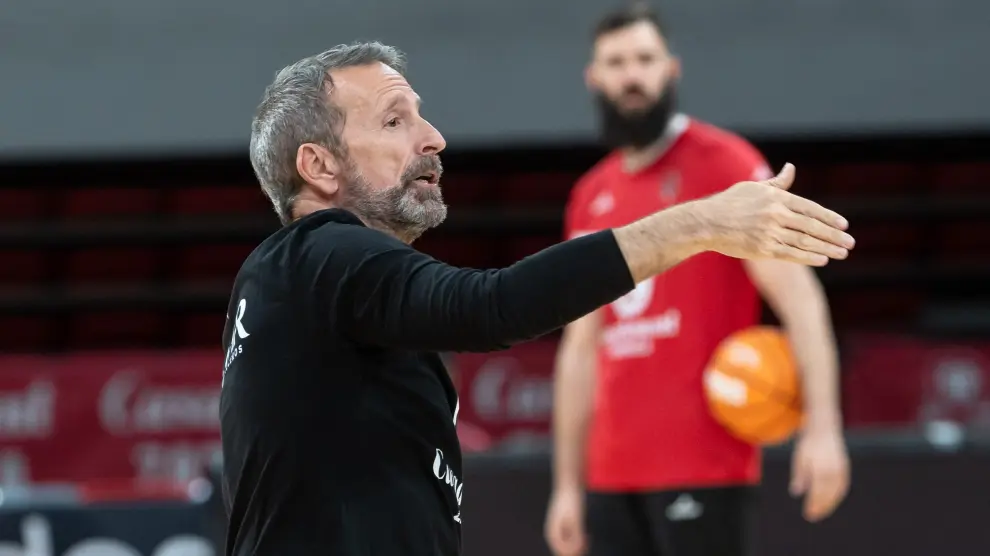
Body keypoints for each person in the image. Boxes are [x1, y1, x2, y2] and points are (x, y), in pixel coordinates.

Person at [219, 41, 854, 556]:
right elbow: (494, 306)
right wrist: (699, 223)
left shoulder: (303, 289)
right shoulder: (319, 253)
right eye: (394, 120)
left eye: (420, 115)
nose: (433, 137)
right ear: (319, 167)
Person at [544, 7, 852, 556]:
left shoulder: (725, 164)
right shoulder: (590, 196)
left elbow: (801, 301)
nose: (632, 75)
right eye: (617, 62)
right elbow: (580, 349)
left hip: (704, 463)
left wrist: (823, 429)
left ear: (671, 69)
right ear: (594, 78)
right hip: (610, 473)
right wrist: (567, 485)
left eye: (645, 59)